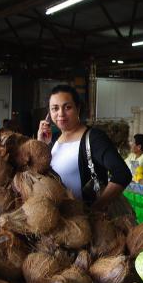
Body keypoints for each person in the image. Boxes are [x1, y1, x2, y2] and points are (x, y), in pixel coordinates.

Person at [37, 84, 133, 218]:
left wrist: (96, 208)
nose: (60, 114)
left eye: (67, 107)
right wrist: (41, 144)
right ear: (49, 114)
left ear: (78, 108)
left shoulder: (93, 138)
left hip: (87, 224)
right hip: (62, 222)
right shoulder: (53, 143)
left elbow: (122, 174)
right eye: (55, 108)